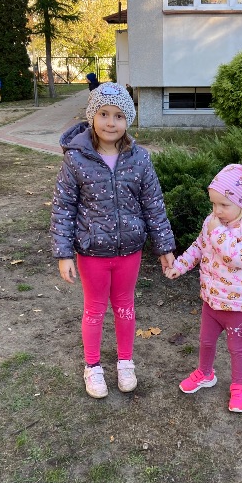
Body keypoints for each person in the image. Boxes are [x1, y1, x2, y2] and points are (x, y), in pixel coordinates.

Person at [51, 82, 175, 399]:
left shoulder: (139, 158)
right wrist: (64, 253)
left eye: (119, 116)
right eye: (104, 114)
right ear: (92, 116)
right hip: (92, 252)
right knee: (94, 309)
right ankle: (92, 366)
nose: (110, 122)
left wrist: (164, 246)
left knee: (125, 307)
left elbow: (153, 204)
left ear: (127, 120)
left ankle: (125, 362)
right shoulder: (76, 159)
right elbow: (64, 207)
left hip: (129, 250)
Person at [165, 164, 242, 413]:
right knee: (206, 341)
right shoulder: (213, 223)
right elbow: (198, 247)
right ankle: (205, 373)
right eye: (214, 204)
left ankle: (239, 385)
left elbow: (241, 258)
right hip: (212, 299)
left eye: (224, 205)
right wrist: (179, 266)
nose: (217, 211)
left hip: (238, 304)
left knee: (236, 348)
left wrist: (219, 233)